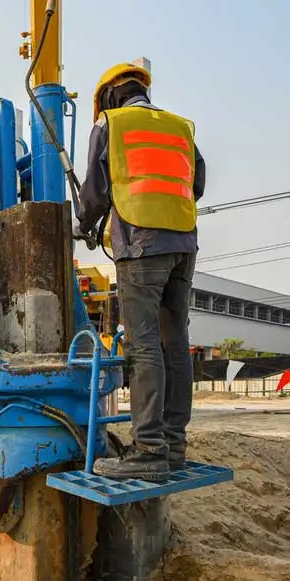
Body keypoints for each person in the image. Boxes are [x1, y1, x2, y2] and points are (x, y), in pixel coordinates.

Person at [73, 63, 206, 480]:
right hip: (183, 243)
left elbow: (94, 193)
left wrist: (82, 224)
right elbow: (196, 183)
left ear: (111, 95)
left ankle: (148, 450)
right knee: (175, 344)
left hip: (141, 246)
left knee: (143, 346)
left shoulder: (112, 124)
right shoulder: (180, 127)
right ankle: (173, 446)